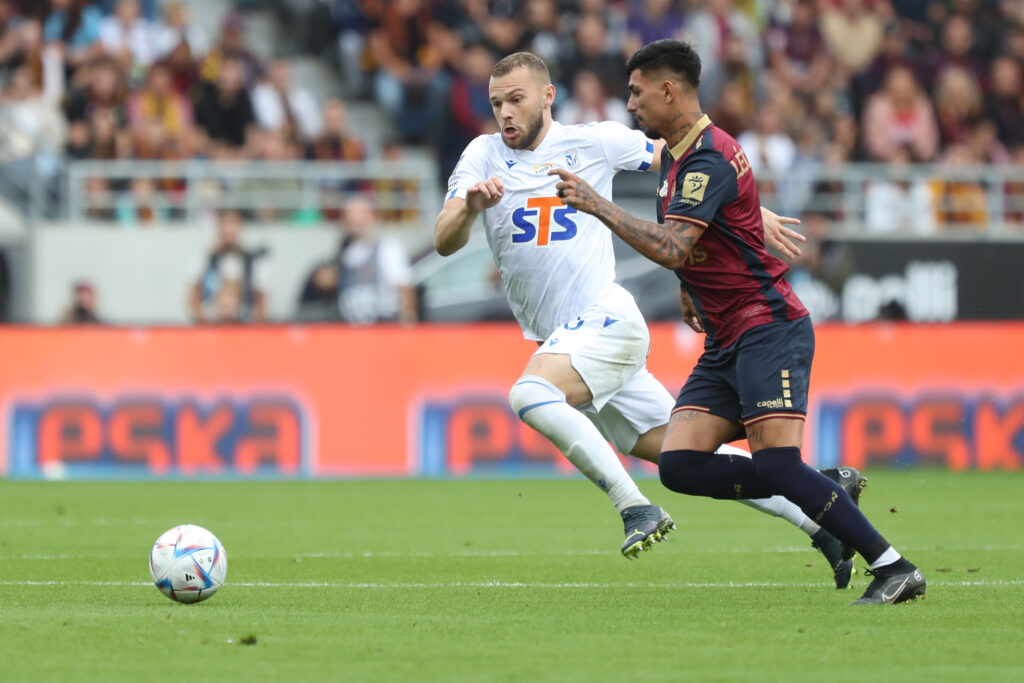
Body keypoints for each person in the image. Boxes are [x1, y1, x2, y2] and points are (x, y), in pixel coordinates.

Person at [434, 51, 865, 586]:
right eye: (497, 102)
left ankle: (633, 506)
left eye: (516, 99)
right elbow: (444, 240)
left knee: (529, 395)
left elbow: (687, 162)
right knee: (680, 458)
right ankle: (821, 510)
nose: (505, 113)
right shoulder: (482, 155)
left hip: (604, 321)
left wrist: (750, 211)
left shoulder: (596, 141)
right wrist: (471, 207)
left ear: (547, 97)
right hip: (572, 343)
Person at [550, 39, 925, 604]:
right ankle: (822, 488)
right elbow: (700, 242)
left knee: (776, 462)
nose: (630, 104)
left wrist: (597, 204)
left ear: (668, 89)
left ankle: (894, 567)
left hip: (767, 326)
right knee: (678, 465)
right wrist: (688, 288)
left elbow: (675, 243)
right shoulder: (677, 157)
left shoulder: (708, 157)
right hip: (726, 337)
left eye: (636, 91)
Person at [298, 195, 417, 325]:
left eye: (359, 218)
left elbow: (404, 287)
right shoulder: (344, 255)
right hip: (351, 328)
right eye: (350, 218)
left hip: (382, 325)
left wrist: (407, 322)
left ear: (371, 218)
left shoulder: (387, 248)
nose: (355, 223)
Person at [188, 210, 268, 324]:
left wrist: (256, 326)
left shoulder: (253, 261)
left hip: (245, 326)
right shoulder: (204, 259)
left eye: (233, 229)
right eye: (225, 229)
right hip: (210, 325)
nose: (229, 232)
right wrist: (203, 322)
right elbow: (193, 296)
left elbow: (261, 298)